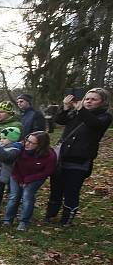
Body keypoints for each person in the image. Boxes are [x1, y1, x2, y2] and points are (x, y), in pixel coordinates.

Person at [46, 88, 112, 225]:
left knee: (71, 192)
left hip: (80, 161)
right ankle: (50, 216)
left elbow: (93, 124)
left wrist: (81, 109)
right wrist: (65, 107)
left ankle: (66, 220)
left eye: (94, 99)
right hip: (63, 158)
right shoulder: (76, 113)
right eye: (87, 98)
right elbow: (60, 120)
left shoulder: (104, 117)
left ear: (102, 102)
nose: (89, 101)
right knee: (56, 190)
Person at [3, 131, 57, 231]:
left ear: (40, 145)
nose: (27, 144)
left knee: (27, 196)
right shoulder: (20, 148)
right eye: (27, 140)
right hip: (17, 175)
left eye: (32, 143)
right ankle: (7, 219)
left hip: (35, 178)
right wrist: (19, 179)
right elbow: (14, 166)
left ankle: (24, 221)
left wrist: (28, 180)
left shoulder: (49, 155)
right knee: (14, 196)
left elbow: (47, 171)